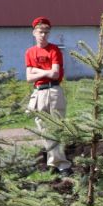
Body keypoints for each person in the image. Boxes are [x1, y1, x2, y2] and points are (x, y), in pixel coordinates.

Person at [24, 16, 70, 173]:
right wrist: (46, 72)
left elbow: (56, 74)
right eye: (40, 32)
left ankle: (62, 164)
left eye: (46, 32)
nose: (43, 35)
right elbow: (29, 78)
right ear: (34, 33)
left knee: (56, 127)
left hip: (54, 91)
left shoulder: (54, 50)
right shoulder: (30, 52)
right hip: (38, 93)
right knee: (43, 129)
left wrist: (37, 70)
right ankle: (53, 162)